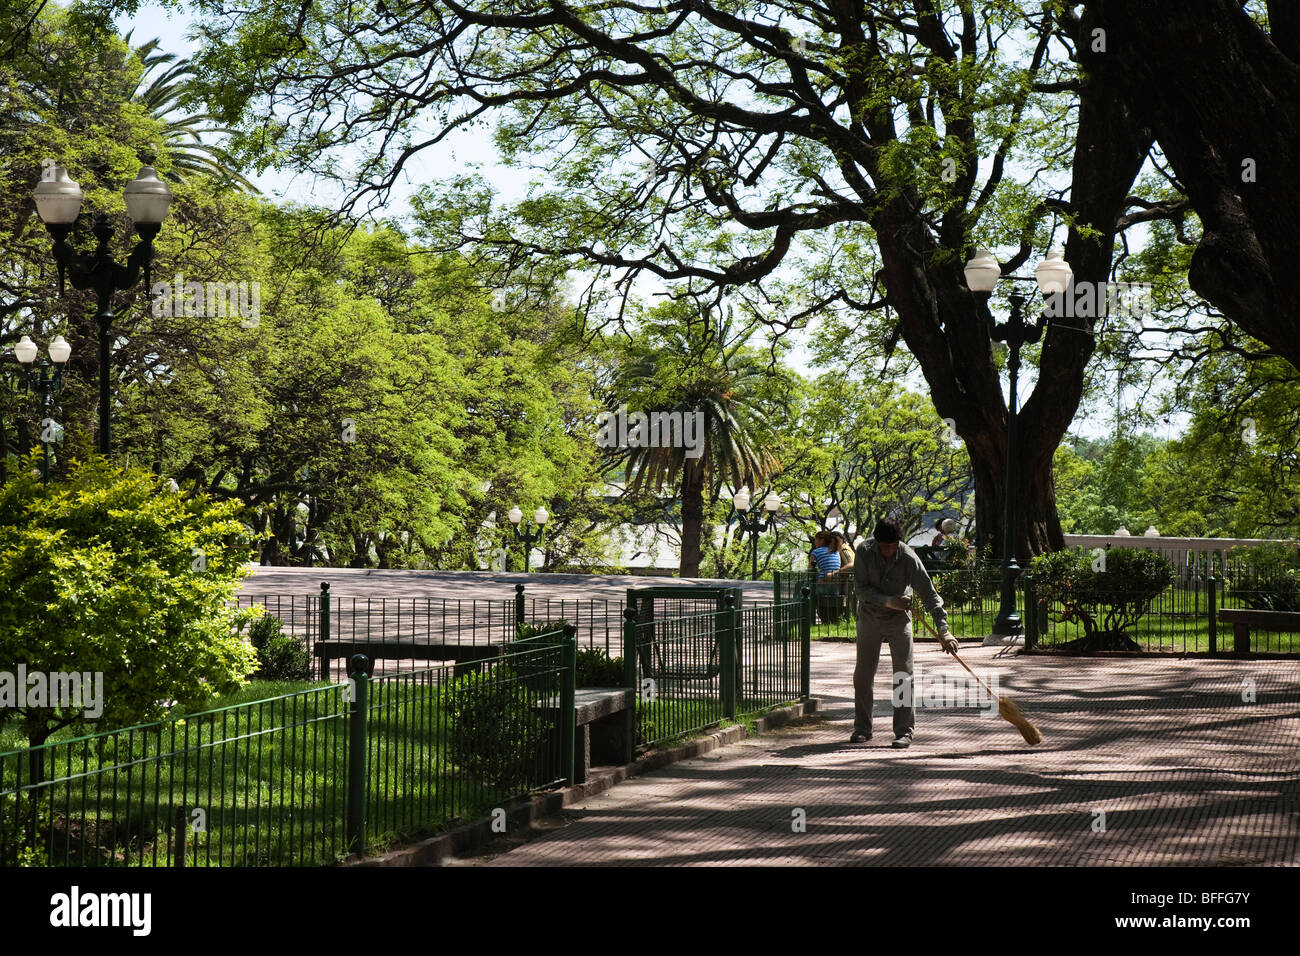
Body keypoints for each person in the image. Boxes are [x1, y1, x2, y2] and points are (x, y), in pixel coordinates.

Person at [851, 518, 959, 748]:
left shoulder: (909, 557)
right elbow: (860, 589)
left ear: (899, 542)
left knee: (903, 676)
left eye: (893, 546)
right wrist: (889, 601)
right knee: (862, 677)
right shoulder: (863, 551)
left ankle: (904, 731)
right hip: (870, 617)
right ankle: (862, 728)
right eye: (884, 546)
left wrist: (944, 630)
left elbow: (930, 594)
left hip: (899, 620)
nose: (889, 550)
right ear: (876, 541)